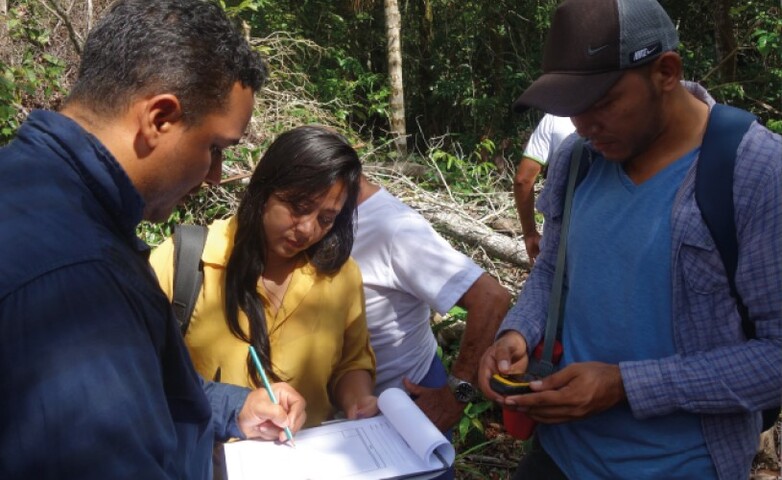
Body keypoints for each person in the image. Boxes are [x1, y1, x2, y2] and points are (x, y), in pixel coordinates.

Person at [0, 1, 307, 478]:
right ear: (160, 118)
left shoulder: (34, 191)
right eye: (215, 148)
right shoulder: (79, 282)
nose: (214, 176)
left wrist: (233, 408)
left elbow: (133, 388)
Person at [477, 0, 782, 479]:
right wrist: (518, 331)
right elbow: (553, 272)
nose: (583, 125)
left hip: (680, 466)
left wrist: (625, 385)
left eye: (601, 103)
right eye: (572, 109)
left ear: (666, 71)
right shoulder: (578, 161)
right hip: (559, 455)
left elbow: (776, 355)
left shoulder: (755, 172)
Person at [150, 126, 378, 428]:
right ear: (264, 189)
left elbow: (351, 362)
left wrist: (357, 400)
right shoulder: (185, 262)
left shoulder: (341, 277)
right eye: (298, 207)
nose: (308, 229)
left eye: (326, 218)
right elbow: (138, 373)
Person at [352, 174, 511, 479]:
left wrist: (457, 393)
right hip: (351, 406)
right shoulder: (321, 216)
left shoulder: (394, 228)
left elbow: (491, 298)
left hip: (406, 402)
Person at [514, 114, 575, 262]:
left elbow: (523, 180)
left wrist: (530, 233)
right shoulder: (618, 118)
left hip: (559, 234)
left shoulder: (555, 117)